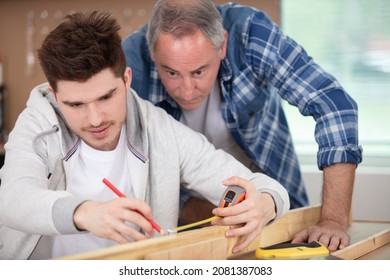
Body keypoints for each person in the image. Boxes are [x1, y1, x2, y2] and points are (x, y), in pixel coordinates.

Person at [0, 11, 289, 260]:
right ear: (54, 95)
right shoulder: (37, 124)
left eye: (106, 97)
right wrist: (85, 213)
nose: (95, 118)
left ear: (126, 80)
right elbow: (12, 199)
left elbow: (258, 185)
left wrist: (265, 203)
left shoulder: (159, 128)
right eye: (75, 105)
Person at [121, 0, 363, 252]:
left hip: (276, 210)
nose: (187, 91)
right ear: (153, 53)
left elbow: (335, 106)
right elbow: (134, 176)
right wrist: (221, 214)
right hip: (190, 224)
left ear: (222, 45)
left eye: (199, 72)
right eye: (171, 73)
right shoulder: (130, 66)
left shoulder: (250, 34)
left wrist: (333, 221)